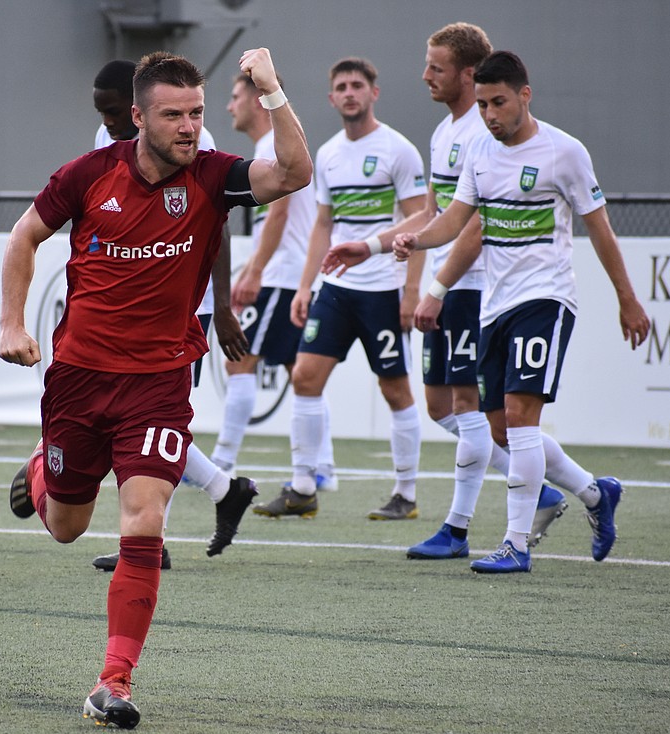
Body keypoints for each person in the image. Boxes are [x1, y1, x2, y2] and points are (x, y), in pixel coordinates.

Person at [0, 47, 312, 728]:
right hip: (79, 380)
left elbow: (294, 171)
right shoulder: (87, 176)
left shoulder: (211, 175)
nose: (190, 126)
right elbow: (24, 237)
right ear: (138, 117)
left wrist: (274, 91)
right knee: (66, 528)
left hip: (160, 383)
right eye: (174, 115)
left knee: (144, 521)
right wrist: (11, 323)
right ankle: (42, 469)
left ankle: (112, 683)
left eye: (197, 113)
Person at [323, 50, 650, 573]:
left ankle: (515, 545)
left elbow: (601, 229)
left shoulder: (564, 153)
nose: (491, 114)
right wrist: (395, 243)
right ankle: (595, 494)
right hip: (492, 306)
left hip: (544, 299)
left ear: (525, 95)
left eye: (499, 102)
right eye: (483, 105)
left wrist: (627, 298)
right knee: (498, 429)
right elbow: (453, 221)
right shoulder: (479, 151)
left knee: (519, 419)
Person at [327, 24, 566, 559]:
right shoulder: (443, 133)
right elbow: (434, 215)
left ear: (467, 73)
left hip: (477, 285)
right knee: (442, 408)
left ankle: (457, 529)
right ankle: (579, 488)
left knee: (472, 407)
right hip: (451, 284)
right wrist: (371, 245)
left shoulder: (487, 131)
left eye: (435, 67)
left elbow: (477, 222)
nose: (425, 75)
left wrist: (434, 285)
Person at [89, 59, 254, 572]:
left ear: (136, 111)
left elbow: (218, 223)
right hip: (133, 305)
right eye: (105, 115)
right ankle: (224, 490)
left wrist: (221, 305)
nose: (109, 124)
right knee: (138, 423)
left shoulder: (190, 143)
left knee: (148, 423)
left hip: (185, 306)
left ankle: (152, 535)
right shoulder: (107, 137)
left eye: (114, 113)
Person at [252, 57, 427, 521]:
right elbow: (323, 226)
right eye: (341, 87)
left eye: (357, 85)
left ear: (374, 92)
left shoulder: (398, 150)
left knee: (394, 390)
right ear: (332, 98)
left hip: (383, 289)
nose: (349, 93)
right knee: (305, 376)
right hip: (336, 288)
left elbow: (421, 220)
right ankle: (303, 488)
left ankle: (406, 494)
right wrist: (305, 286)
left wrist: (411, 291)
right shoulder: (326, 154)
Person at [208, 72, 337, 489]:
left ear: (254, 100)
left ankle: (222, 461)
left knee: (239, 360)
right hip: (288, 273)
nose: (229, 106)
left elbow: (278, 214)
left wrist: (255, 271)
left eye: (233, 97)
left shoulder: (270, 148)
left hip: (281, 275)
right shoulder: (274, 146)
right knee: (301, 371)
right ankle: (324, 468)